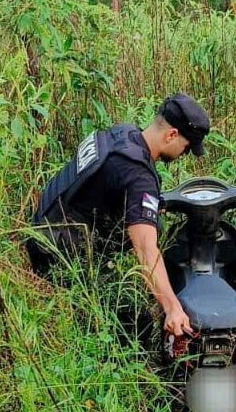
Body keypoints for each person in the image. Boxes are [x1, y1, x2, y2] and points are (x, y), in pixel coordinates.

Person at [25, 92, 210, 338]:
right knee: (137, 324)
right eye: (186, 149)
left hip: (45, 227)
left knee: (157, 224)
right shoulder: (138, 176)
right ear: (172, 135)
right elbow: (145, 250)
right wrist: (172, 308)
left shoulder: (122, 135)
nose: (183, 155)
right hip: (57, 258)